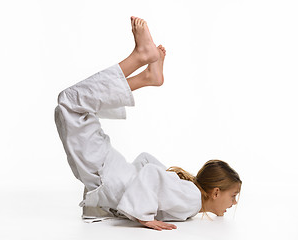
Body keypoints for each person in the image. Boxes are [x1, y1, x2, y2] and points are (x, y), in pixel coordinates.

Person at [54, 16, 242, 231]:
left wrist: (128, 204)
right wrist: (142, 214)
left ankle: (146, 75)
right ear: (216, 192)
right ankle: (142, 60)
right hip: (110, 174)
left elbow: (147, 164)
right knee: (70, 102)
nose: (234, 203)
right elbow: (151, 171)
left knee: (74, 104)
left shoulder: (190, 203)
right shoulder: (191, 198)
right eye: (233, 196)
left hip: (111, 174)